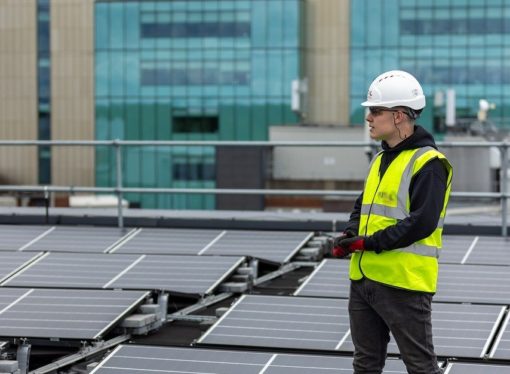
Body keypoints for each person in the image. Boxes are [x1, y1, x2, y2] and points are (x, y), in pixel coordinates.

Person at [332, 70, 452, 374]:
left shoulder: (429, 164)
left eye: (375, 111)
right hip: (363, 280)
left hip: (403, 284)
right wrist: (350, 233)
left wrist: (368, 243)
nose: (369, 118)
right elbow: (363, 206)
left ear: (398, 116)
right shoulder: (380, 158)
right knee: (366, 364)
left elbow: (421, 223)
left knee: (421, 367)